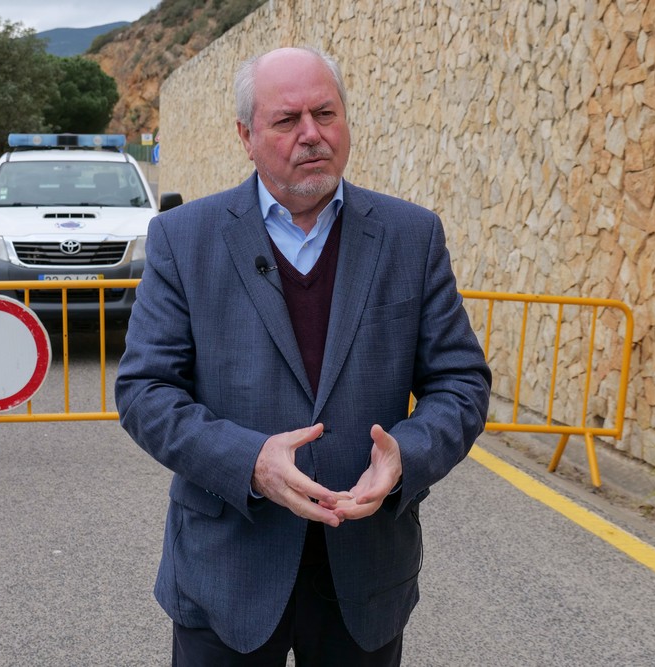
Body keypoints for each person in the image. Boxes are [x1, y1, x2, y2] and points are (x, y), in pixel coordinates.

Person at [115, 47, 492, 665]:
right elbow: (144, 391)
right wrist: (250, 461)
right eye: (287, 120)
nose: (311, 134)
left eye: (326, 113)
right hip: (227, 568)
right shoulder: (184, 239)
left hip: (365, 573)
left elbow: (460, 383)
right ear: (246, 135)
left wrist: (406, 458)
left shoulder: (411, 236)